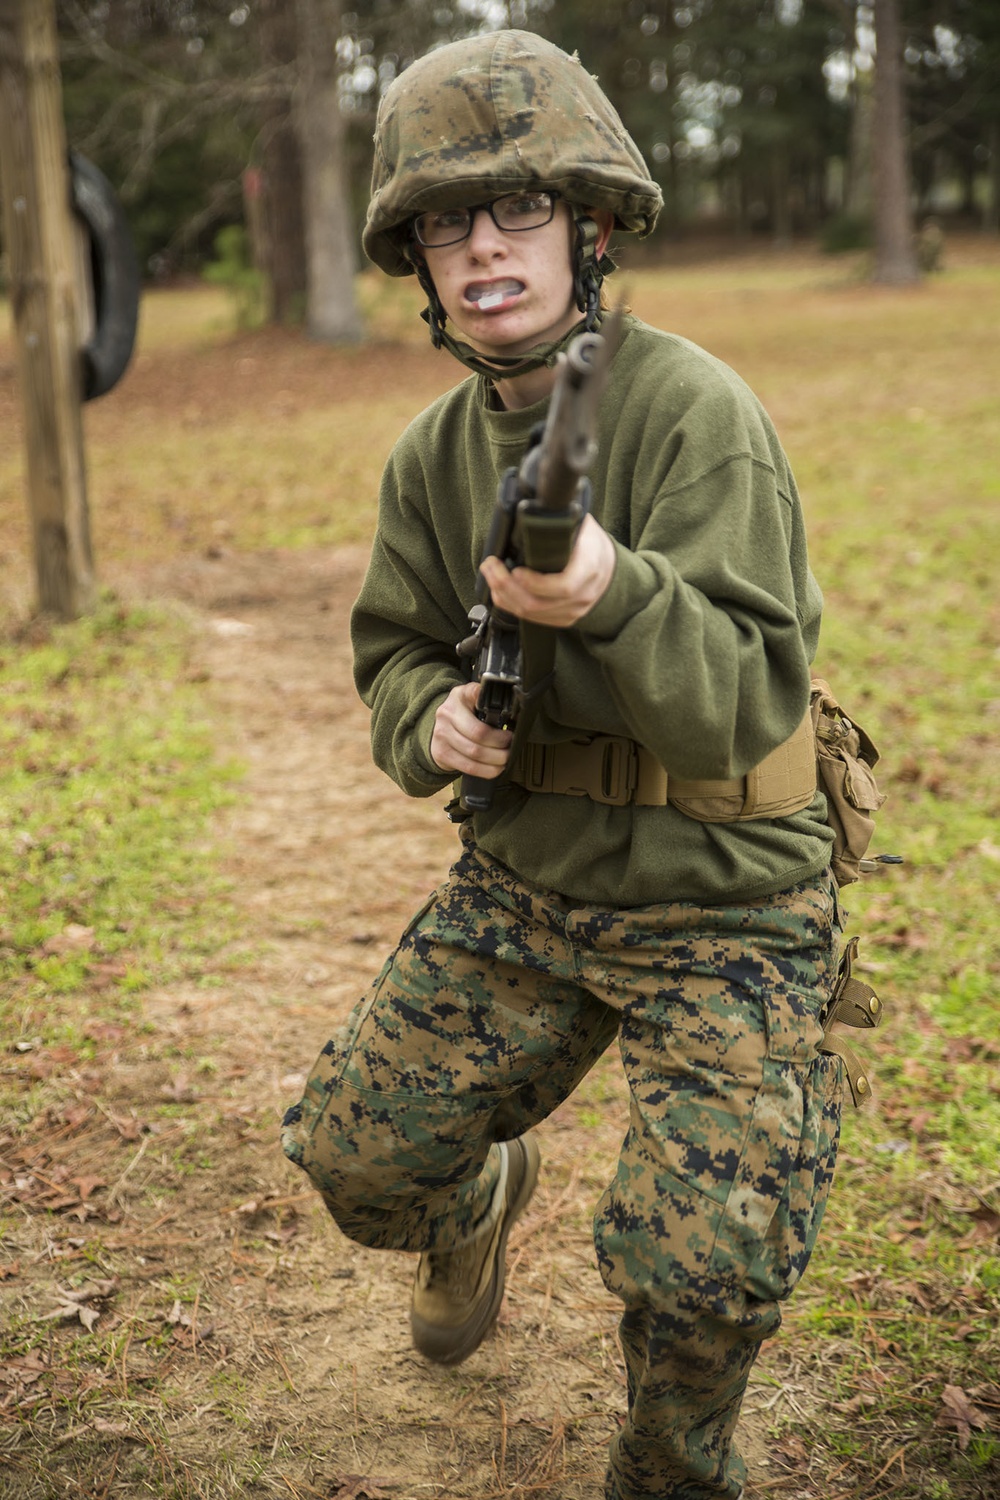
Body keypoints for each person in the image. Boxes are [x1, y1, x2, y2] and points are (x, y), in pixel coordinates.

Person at [282, 29, 848, 1500]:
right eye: (445, 226)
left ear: (591, 232)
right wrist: (434, 726)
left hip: (723, 894)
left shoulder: (695, 416)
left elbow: (740, 706)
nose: (482, 253)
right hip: (530, 873)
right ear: (416, 265)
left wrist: (610, 592)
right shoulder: (431, 453)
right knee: (359, 1164)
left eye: (519, 213)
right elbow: (394, 650)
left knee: (699, 1271)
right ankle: (483, 1205)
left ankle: (671, 1472)